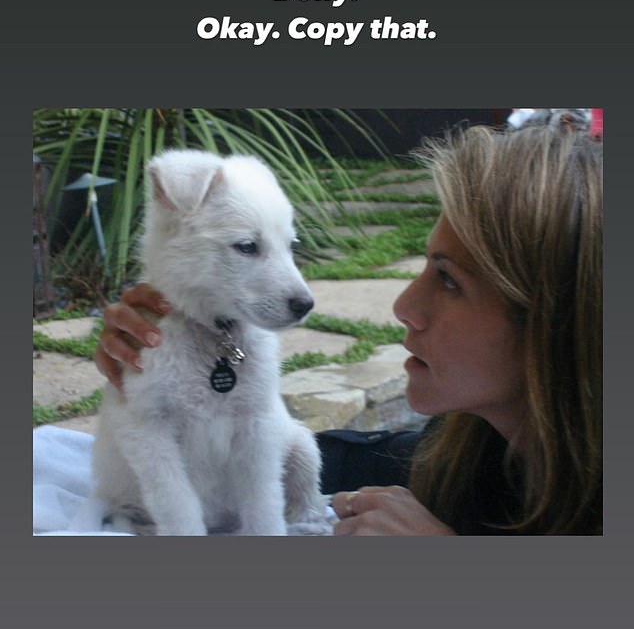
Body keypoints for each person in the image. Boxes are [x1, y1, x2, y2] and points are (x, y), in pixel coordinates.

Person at [95, 123, 603, 536]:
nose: (404, 305)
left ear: (555, 321)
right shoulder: (467, 450)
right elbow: (345, 457)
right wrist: (191, 399)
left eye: (449, 280)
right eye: (425, 266)